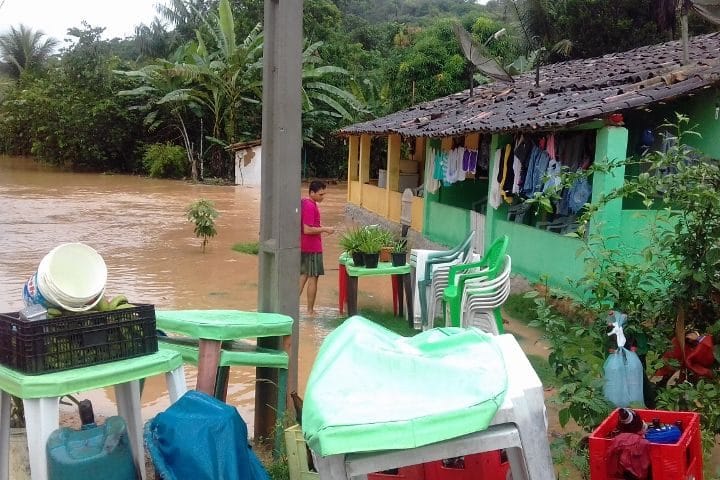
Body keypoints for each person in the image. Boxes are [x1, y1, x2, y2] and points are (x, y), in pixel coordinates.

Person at [299, 180, 334, 315]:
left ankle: (289, 308)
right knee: (313, 278)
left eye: (323, 194)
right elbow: (307, 229)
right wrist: (325, 229)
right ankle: (310, 310)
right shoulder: (310, 206)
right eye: (320, 194)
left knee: (303, 276)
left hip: (305, 245)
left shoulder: (306, 203)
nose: (322, 197)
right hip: (312, 247)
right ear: (312, 193)